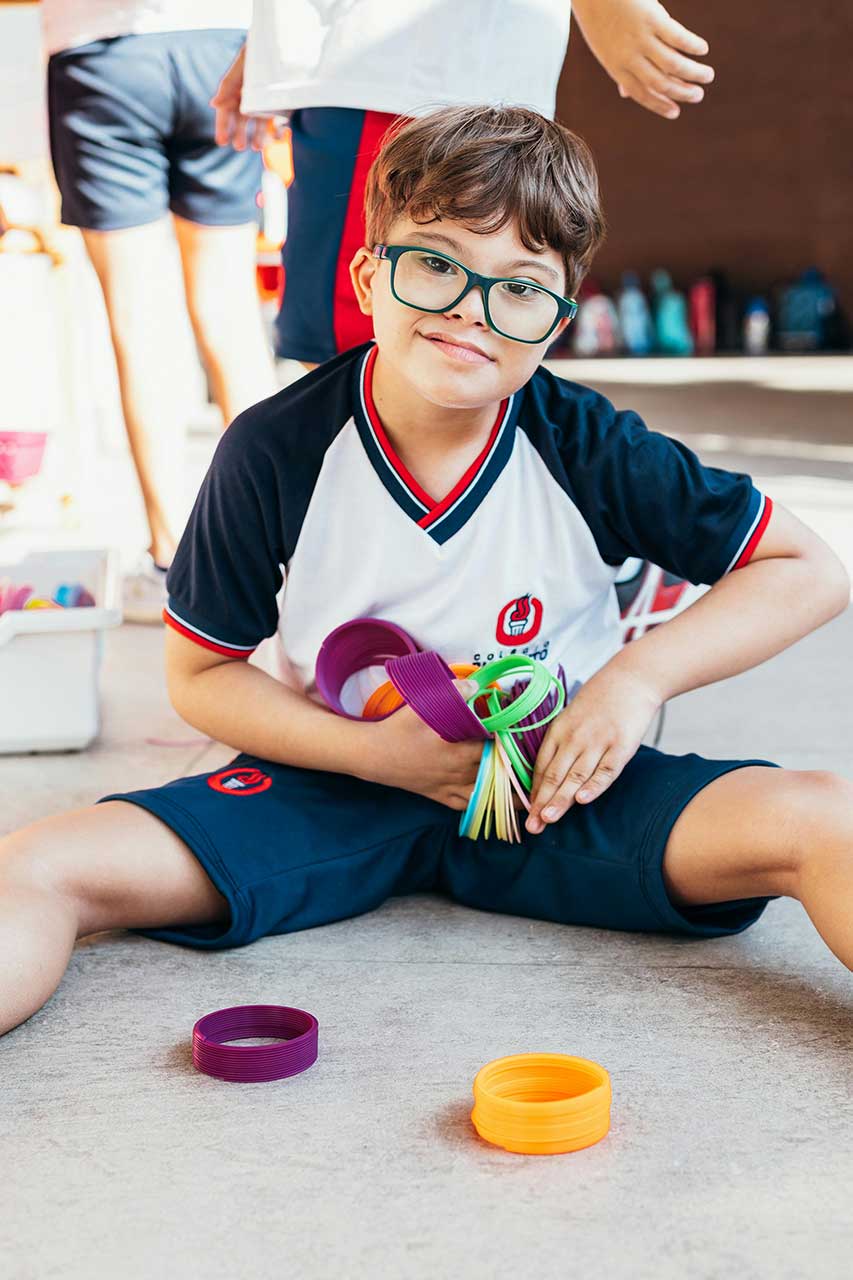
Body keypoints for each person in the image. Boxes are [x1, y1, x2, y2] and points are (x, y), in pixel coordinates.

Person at [2, 105, 852, 1040]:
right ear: (369, 276)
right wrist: (374, 754)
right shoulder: (275, 449)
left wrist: (631, 683)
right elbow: (200, 677)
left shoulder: (587, 442)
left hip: (554, 787)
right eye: (436, 264)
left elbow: (806, 568)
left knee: (823, 816)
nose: (469, 312)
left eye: (519, 287)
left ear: (558, 318)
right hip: (332, 783)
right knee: (37, 867)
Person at [212, 0, 716, 369]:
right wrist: (275, 44)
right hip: (390, 63)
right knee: (400, 362)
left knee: (364, 360)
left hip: (395, 67)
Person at [44, 0, 277, 620]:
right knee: (229, 307)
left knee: (138, 318)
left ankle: (171, 562)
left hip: (101, 51)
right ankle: (275, 547)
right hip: (220, 44)